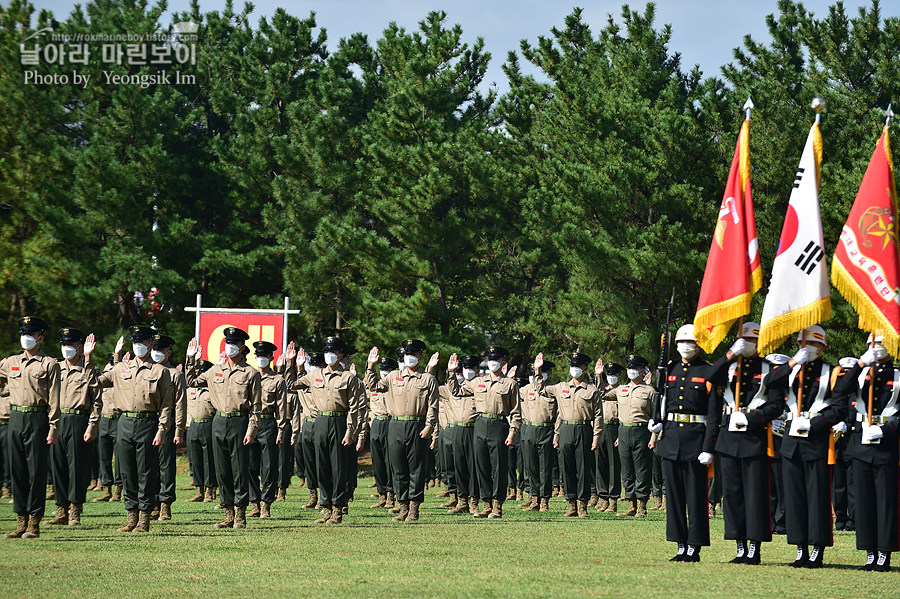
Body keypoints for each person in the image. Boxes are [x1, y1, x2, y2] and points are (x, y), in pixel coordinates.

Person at [765, 325, 847, 568]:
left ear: (821, 347)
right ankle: (800, 548)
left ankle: (817, 550)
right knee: (795, 499)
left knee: (817, 498)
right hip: (791, 443)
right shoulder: (790, 371)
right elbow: (769, 382)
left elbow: (839, 408)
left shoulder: (833, 372)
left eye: (812, 345)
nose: (807, 349)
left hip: (817, 441)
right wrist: (792, 364)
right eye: (803, 344)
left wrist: (814, 423)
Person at [713, 323, 785, 565]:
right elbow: (709, 378)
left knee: (755, 495)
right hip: (729, 437)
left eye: (751, 339)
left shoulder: (768, 369)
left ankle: (754, 548)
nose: (747, 342)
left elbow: (776, 405)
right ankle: (740, 546)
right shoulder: (730, 366)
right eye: (742, 338)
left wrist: (753, 418)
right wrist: (730, 354)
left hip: (754, 438)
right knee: (732, 495)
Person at [650, 324, 721, 562]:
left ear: (698, 344)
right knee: (675, 497)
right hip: (671, 439)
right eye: (681, 342)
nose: (685, 346)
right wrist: (658, 422)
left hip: (695, 441)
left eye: (690, 342)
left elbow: (713, 414)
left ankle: (694, 546)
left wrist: (708, 447)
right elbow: (664, 400)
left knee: (695, 498)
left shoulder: (708, 371)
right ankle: (680, 544)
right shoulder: (669, 369)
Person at [97, 325, 175, 533]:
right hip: (124, 422)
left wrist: (162, 430)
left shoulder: (160, 371)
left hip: (148, 423)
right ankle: (130, 516)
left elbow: (167, 405)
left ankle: (144, 518)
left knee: (146, 472)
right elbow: (95, 382)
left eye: (142, 342)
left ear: (150, 344)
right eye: (135, 342)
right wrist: (92, 358)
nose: (138, 346)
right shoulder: (120, 368)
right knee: (127, 471)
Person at [185, 327, 262, 530]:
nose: (230, 347)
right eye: (227, 343)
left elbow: (256, 406)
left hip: (240, 422)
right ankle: (227, 512)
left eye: (234, 344)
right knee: (222, 470)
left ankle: (240, 514)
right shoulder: (215, 371)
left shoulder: (251, 373)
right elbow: (191, 381)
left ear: (242, 346)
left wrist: (251, 430)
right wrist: (191, 360)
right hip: (218, 422)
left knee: (239, 470)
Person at [836, 334, 898, 572]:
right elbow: (840, 390)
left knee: (885, 502)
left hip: (885, 446)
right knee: (863, 502)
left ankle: (884, 553)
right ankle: (869, 551)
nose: (878, 349)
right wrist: (861, 363)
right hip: (859, 445)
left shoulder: (898, 376)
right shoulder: (860, 374)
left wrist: (884, 430)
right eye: (874, 345)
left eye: (882, 345)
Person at [285, 337, 364, 524]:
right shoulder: (315, 375)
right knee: (322, 466)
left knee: (338, 467)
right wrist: (292, 363)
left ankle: (338, 508)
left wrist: (350, 431)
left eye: (333, 352)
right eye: (327, 351)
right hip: (320, 421)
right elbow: (290, 385)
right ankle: (325, 506)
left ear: (340, 355)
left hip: (339, 422)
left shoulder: (348, 378)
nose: (329, 355)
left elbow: (355, 407)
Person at [364, 339, 440, 521]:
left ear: (420, 357)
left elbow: (433, 406)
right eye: (407, 354)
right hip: (395, 425)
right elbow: (372, 386)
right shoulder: (393, 376)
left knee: (416, 468)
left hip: (417, 425)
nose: (410, 358)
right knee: (398, 468)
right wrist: (370, 365)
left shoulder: (428, 379)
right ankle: (402, 505)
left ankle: (414, 507)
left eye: (413, 354)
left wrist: (429, 426)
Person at [0, 316, 61, 539]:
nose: (26, 339)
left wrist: (53, 428)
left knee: (36, 471)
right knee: (17, 471)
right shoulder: (11, 362)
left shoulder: (49, 364)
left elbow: (55, 399)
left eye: (31, 335)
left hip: (38, 418)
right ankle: (20, 520)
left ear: (40, 338)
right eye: (23, 334)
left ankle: (34, 521)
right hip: (15, 417)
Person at [447, 346, 521, 519]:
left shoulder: (510, 384)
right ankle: (486, 503)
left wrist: (512, 433)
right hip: (480, 424)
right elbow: (457, 391)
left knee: (499, 468)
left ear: (503, 362)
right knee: (481, 467)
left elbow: (516, 412)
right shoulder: (479, 382)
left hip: (499, 424)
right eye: (490, 359)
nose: (492, 362)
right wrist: (451, 373)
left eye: (496, 359)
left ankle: (497, 505)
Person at [533, 351, 602, 518]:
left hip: (584, 429)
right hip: (565, 429)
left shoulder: (591, 390)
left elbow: (599, 415)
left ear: (585, 368)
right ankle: (571, 504)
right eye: (572, 366)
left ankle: (583, 505)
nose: (575, 369)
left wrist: (596, 437)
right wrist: (537, 370)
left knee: (583, 468)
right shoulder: (560, 387)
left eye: (578, 366)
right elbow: (541, 389)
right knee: (567, 468)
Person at [48, 328, 101, 527]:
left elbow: (96, 402)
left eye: (71, 345)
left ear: (80, 347)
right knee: (58, 466)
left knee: (77, 467)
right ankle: (61, 509)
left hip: (79, 420)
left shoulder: (90, 370)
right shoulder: (55, 368)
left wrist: (92, 427)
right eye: (64, 345)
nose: (66, 348)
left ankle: (75, 510)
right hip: (58, 420)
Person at [609, 354, 657, 518]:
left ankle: (642, 506)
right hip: (623, 431)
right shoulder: (621, 389)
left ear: (643, 370)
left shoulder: (649, 391)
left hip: (641, 431)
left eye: (635, 368)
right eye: (629, 368)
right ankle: (631, 504)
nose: (632, 371)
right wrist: (599, 376)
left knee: (642, 470)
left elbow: (655, 417)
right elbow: (601, 393)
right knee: (627, 470)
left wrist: (654, 437)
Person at [247, 341, 287, 519]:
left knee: (269, 466)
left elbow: (281, 408)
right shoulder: (249, 376)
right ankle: (254, 503)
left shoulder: (278, 380)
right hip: (250, 424)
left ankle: (266, 504)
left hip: (268, 423)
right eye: (258, 355)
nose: (261, 359)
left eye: (265, 356)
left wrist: (281, 430)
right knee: (249, 465)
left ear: (271, 358)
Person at [150, 334, 186, 521]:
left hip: (168, 422)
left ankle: (165, 504)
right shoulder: (147, 371)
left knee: (165, 465)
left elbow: (180, 404)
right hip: (148, 420)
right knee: (149, 464)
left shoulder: (175, 374)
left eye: (160, 349)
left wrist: (179, 430)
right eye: (154, 348)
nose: (156, 353)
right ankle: (152, 502)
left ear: (169, 352)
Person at [518, 357, 556, 512]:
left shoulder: (554, 390)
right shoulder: (524, 390)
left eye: (543, 371)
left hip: (547, 429)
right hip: (528, 429)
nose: (539, 374)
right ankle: (533, 498)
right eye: (537, 371)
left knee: (546, 468)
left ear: (549, 373)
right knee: (530, 466)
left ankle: (545, 500)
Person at [367, 356, 397, 508]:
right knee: (377, 461)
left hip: (390, 422)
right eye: (382, 369)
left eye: (387, 370)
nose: (384, 372)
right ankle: (382, 494)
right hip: (376, 423)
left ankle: (392, 495)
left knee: (390, 461)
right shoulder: (374, 386)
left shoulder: (395, 386)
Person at [186, 360, 217, 502]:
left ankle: (210, 491)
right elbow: (187, 409)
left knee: (209, 460)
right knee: (196, 460)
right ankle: (199, 490)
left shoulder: (214, 390)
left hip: (209, 425)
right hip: (194, 425)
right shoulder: (191, 389)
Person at [94, 355, 122, 503]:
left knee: (119, 458)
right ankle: (106, 489)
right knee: (104, 457)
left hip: (118, 419)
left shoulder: (120, 380)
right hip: (104, 420)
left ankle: (118, 489)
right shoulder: (103, 381)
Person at [595, 361, 623, 513]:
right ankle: (603, 497)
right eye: (609, 375)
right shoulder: (603, 390)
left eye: (614, 375)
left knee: (613, 465)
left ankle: (613, 499)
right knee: (601, 464)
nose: (611, 377)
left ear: (620, 376)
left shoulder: (622, 391)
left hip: (614, 427)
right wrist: (599, 376)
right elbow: (599, 393)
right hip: (601, 427)